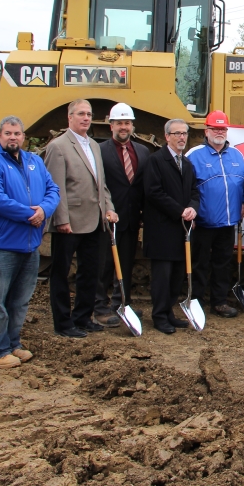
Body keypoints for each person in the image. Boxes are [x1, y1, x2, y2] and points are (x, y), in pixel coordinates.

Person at [0, 116, 60, 369]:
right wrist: (29, 214)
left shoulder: (34, 162)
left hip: (29, 244)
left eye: (17, 133)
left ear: (23, 137)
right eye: (8, 133)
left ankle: (14, 343)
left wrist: (44, 210)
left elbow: (53, 189)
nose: (13, 137)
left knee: (20, 300)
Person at [44, 99, 118, 337]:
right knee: (61, 273)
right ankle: (63, 323)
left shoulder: (94, 146)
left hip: (95, 220)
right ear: (70, 118)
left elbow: (101, 184)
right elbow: (55, 187)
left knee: (90, 273)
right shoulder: (58, 146)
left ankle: (83, 317)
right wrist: (61, 219)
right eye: (81, 114)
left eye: (89, 114)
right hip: (70, 222)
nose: (86, 118)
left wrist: (108, 208)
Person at [186, 110, 244, 318]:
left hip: (227, 223)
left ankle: (220, 302)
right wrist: (191, 212)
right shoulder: (194, 155)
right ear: (206, 131)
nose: (219, 132)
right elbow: (185, 187)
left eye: (222, 128)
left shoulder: (236, 155)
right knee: (199, 263)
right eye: (215, 128)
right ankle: (195, 300)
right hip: (203, 222)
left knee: (223, 264)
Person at [143, 119, 201, 333]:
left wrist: (193, 208)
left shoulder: (187, 164)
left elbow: (195, 192)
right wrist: (180, 211)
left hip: (181, 231)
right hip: (161, 231)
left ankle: (169, 313)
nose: (182, 137)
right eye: (177, 133)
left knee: (177, 276)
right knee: (162, 277)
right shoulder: (156, 161)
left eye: (184, 133)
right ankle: (159, 316)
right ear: (166, 136)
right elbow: (154, 192)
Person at [95, 103, 150, 327]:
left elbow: (142, 186)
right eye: (119, 123)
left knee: (125, 262)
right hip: (106, 218)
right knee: (104, 263)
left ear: (132, 125)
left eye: (127, 123)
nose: (123, 127)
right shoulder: (99, 150)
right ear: (111, 126)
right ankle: (99, 305)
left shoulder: (143, 152)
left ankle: (121, 303)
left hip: (130, 218)